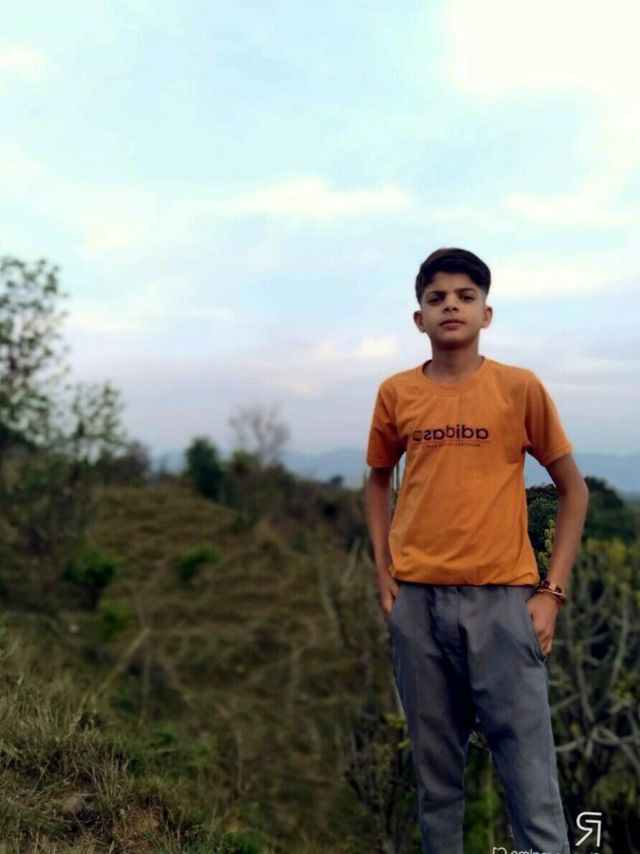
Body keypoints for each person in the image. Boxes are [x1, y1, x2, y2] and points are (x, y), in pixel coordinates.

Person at [364, 247, 590, 854]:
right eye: (436, 298)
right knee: (436, 785)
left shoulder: (519, 388)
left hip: (503, 606)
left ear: (486, 313)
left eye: (466, 296)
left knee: (531, 785)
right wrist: (383, 571)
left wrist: (551, 592)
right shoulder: (396, 393)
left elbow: (573, 490)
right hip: (417, 607)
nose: (451, 307)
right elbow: (378, 480)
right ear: (419, 318)